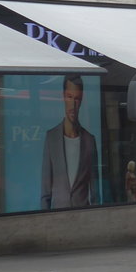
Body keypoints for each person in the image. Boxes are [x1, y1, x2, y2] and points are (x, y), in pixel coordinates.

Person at [41, 74, 98, 208]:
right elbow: (45, 191)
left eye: (77, 99)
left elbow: (95, 189)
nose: (73, 104)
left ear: (82, 100)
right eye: (70, 97)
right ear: (63, 97)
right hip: (58, 215)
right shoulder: (51, 137)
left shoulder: (90, 140)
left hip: (83, 214)